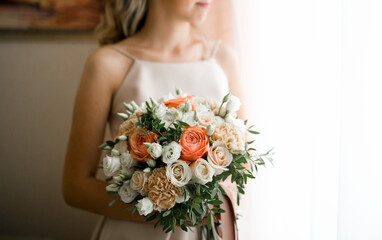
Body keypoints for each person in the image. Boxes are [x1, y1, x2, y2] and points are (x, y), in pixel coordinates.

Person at [62, 0, 245, 239]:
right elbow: (75, 186)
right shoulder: (107, 64)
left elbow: (243, 160)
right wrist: (165, 209)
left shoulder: (222, 60)